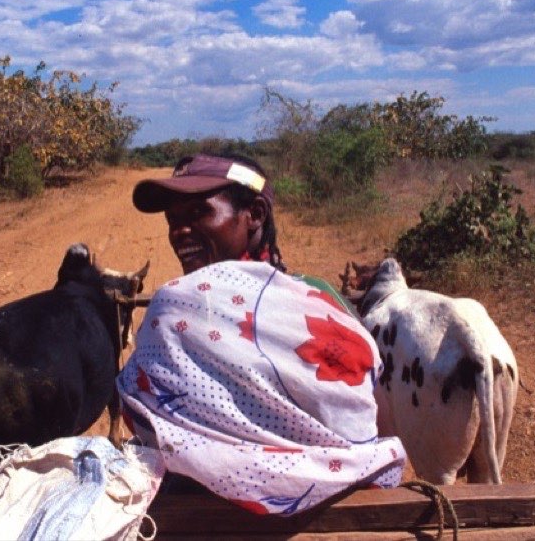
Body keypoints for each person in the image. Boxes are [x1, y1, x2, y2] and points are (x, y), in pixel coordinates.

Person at [119, 153, 405, 515]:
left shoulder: (171, 308)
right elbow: (373, 422)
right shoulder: (324, 301)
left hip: (203, 519)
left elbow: (150, 425)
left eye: (197, 214)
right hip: (336, 511)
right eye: (173, 220)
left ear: (254, 214)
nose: (179, 232)